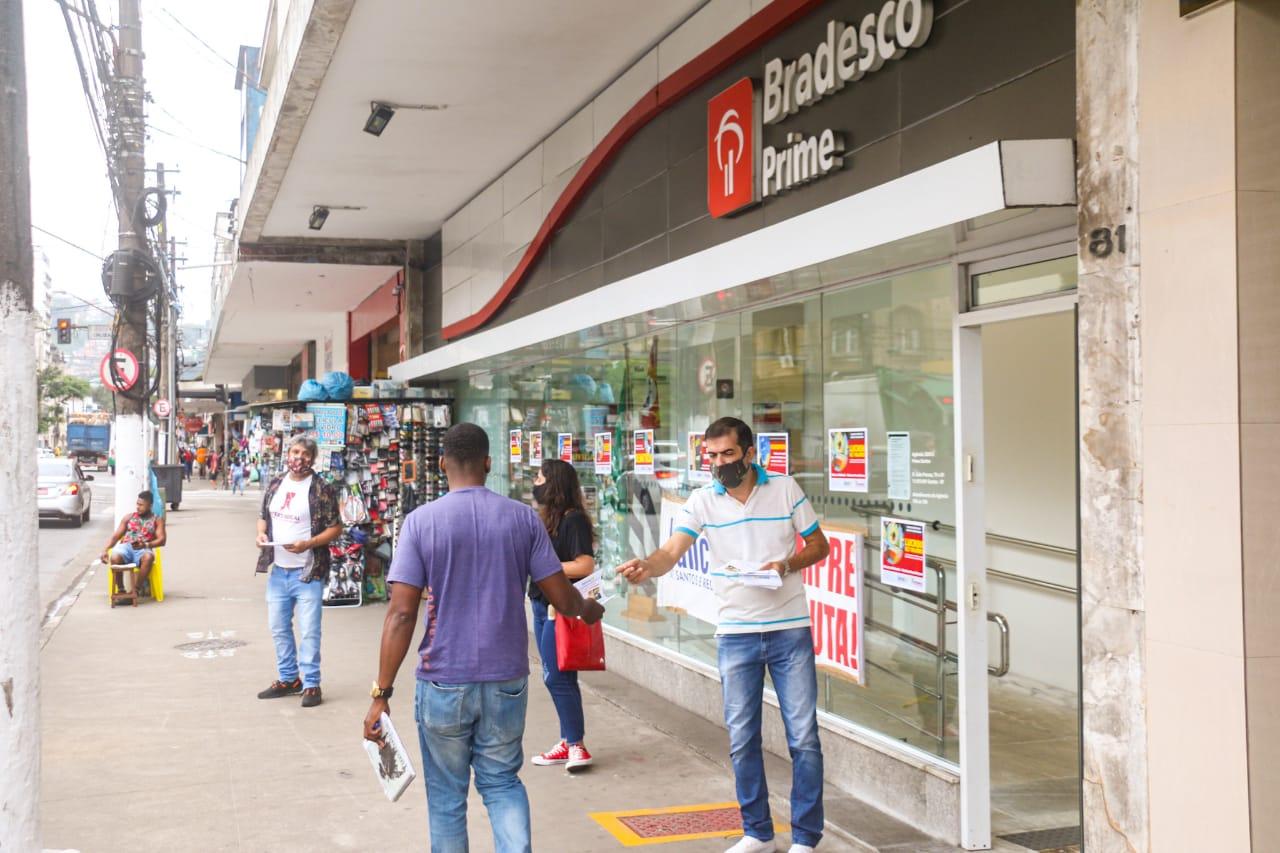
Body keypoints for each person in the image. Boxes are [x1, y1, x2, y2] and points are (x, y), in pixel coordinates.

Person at [363, 423, 604, 853]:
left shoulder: (420, 523)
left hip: (442, 680)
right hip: (506, 680)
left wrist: (381, 693)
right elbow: (562, 598)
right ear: (489, 464)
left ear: (441, 465)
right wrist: (587, 609)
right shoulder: (522, 519)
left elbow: (400, 613)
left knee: (447, 798)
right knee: (502, 783)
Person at [619, 417, 830, 853]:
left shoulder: (785, 488)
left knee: (803, 737)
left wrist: (785, 565)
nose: (719, 464)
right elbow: (671, 552)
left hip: (789, 628)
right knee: (741, 737)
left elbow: (818, 545)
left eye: (727, 455)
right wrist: (647, 567)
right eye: (711, 456)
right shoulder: (702, 501)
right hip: (735, 632)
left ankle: (806, 838)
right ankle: (757, 832)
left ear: (750, 454)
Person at [254, 435, 343, 708]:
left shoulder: (321, 488)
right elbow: (262, 517)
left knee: (309, 631)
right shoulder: (276, 484)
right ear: (287, 454)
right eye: (295, 452)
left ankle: (312, 683)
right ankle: (289, 678)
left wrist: (309, 543)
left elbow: (336, 527)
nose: (299, 458)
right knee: (278, 628)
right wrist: (260, 534)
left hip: (308, 571)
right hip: (279, 571)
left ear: (313, 459)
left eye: (305, 454)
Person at [527, 458, 597, 771]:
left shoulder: (573, 520)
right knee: (556, 675)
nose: (536, 483)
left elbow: (585, 564)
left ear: (553, 483)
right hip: (542, 605)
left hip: (561, 608)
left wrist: (544, 569)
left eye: (540, 478)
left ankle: (576, 745)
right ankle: (568, 741)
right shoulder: (548, 519)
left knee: (558, 676)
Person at [102, 490, 167, 597]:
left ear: (150, 505)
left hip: (143, 548)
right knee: (114, 557)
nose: (138, 507)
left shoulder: (157, 520)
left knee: (148, 557)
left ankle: (135, 590)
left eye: (141, 505)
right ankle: (121, 590)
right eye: (137, 504)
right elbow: (115, 537)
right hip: (126, 547)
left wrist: (146, 545)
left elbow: (162, 540)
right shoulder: (129, 517)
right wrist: (105, 550)